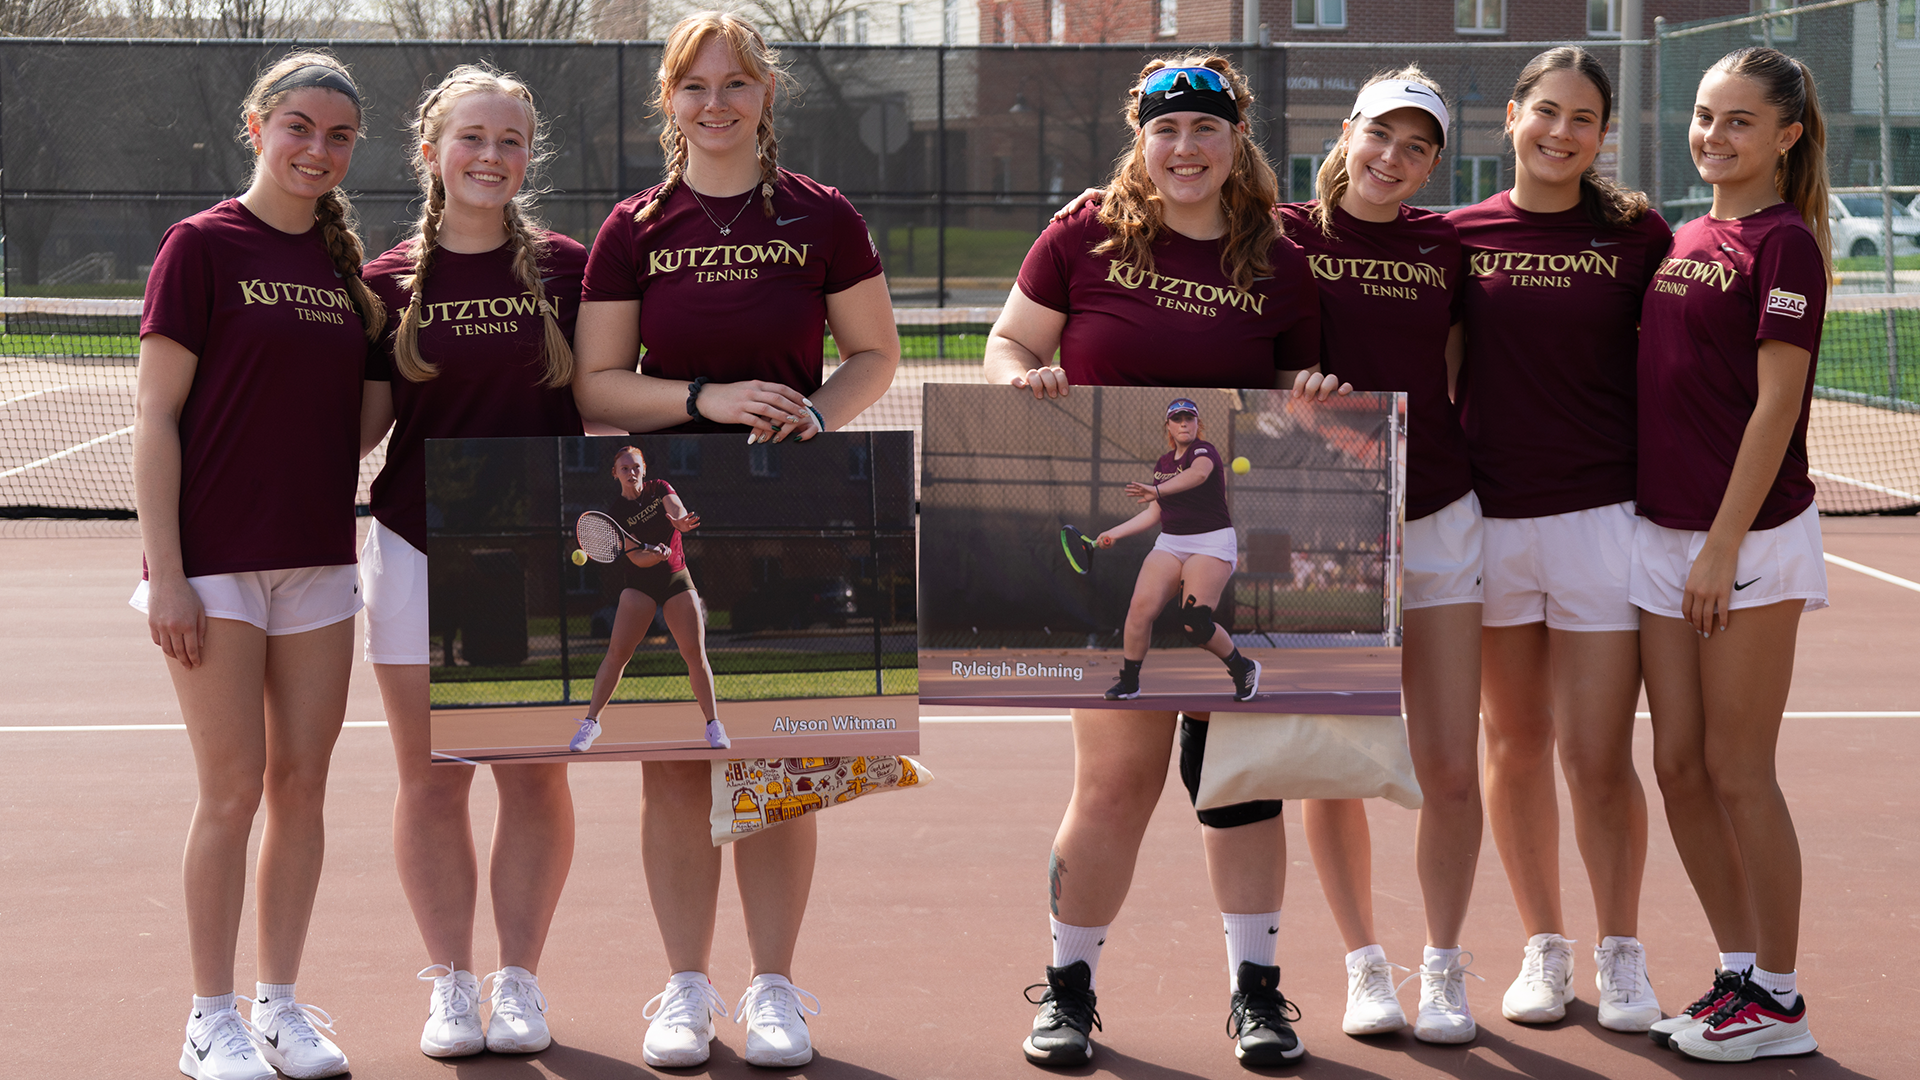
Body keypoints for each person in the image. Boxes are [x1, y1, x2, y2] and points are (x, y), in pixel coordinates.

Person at [982, 55, 1338, 1068]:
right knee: (1113, 788)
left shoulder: (1279, 255)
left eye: (1206, 131)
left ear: (1237, 145)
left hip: (1230, 536)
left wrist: (1308, 392)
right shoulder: (1082, 232)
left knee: (1240, 783)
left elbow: (1289, 402)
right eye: (1166, 130)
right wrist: (1022, 382)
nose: (1185, 149)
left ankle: (1258, 998)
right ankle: (1067, 991)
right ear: (1142, 140)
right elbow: (1007, 346)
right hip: (1118, 531)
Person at [568, 10, 899, 1068]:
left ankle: (773, 991)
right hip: (682, 495)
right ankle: (683, 991)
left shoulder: (822, 215)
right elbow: (599, 383)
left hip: (794, 499)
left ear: (767, 96)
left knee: (772, 759)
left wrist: (818, 415)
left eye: (736, 84)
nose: (715, 104)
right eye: (693, 86)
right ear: (669, 103)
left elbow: (873, 355)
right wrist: (708, 399)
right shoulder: (635, 224)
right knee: (674, 763)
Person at [132, 51, 384, 1080]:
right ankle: (209, 1019)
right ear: (256, 127)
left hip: (322, 564)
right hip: (217, 569)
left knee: (303, 787)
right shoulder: (199, 247)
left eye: (336, 136)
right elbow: (154, 416)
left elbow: (360, 428)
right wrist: (171, 571)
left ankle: (278, 1006)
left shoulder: (349, 274)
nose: (315, 149)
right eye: (297, 127)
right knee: (231, 790)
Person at [357, 64, 587, 1059]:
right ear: (430, 150)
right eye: (472, 138)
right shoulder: (384, 282)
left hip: (541, 558)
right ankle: (451, 984)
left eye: (510, 141)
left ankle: (520, 979)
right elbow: (354, 430)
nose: (491, 157)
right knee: (435, 776)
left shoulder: (575, 271)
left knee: (534, 777)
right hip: (412, 544)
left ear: (528, 157)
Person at [1448, 46, 1673, 1033]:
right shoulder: (1455, 237)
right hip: (1488, 522)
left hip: (1601, 521)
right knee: (1516, 740)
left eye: (1583, 118)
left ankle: (1623, 954)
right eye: (1546, 112)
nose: (1562, 133)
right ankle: (1546, 949)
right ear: (1511, 116)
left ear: (1604, 133)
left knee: (1594, 752)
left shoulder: (1637, 233)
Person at [1274, 67, 1487, 1043]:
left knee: (1448, 765)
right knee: (1337, 764)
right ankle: (1365, 968)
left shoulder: (1450, 245)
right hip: (1324, 518)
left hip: (1439, 517)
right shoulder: (1279, 232)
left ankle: (1442, 967)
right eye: (1379, 136)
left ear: (1435, 160)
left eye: (1417, 146)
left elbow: (1459, 363)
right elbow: (1165, 222)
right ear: (1347, 131)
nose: (1392, 159)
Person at [1632, 46, 1830, 1062]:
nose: (1716, 135)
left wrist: (1720, 548)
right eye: (1707, 117)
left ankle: (1784, 1002)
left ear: (1786, 136)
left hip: (1744, 542)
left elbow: (1777, 406)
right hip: (1660, 535)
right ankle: (1740, 974)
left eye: (1740, 121)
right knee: (1676, 767)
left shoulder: (1786, 243)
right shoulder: (1689, 232)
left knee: (1739, 769)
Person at [1093, 398, 1262, 705]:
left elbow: (1197, 476)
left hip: (1211, 543)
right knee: (1139, 611)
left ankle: (1243, 668)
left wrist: (1155, 490)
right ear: (1168, 426)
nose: (1184, 423)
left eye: (1189, 418)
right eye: (1177, 418)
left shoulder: (1204, 451)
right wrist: (1113, 533)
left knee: (1194, 624)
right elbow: (1153, 514)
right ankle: (1129, 682)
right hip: (1171, 543)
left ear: (1197, 424)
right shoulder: (1163, 465)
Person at [570, 445, 730, 753]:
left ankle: (713, 725)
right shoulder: (615, 513)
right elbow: (636, 559)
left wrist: (680, 522)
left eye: (636, 467)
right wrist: (651, 555)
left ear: (644, 470)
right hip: (639, 584)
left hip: (676, 579)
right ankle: (591, 723)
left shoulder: (660, 489)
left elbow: (677, 508)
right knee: (617, 653)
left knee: (695, 653)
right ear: (615, 473)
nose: (632, 473)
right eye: (625, 468)